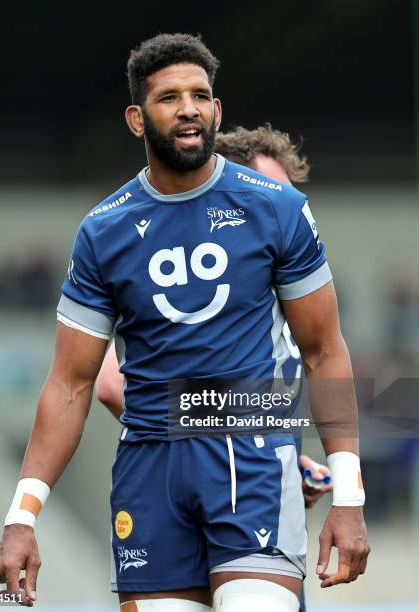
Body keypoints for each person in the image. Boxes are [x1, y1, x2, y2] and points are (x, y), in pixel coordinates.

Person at [0, 34, 369, 612]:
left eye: (201, 95)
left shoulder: (277, 208)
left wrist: (348, 494)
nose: (188, 107)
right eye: (170, 97)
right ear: (137, 119)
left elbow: (324, 352)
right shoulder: (103, 230)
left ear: (217, 110)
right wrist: (22, 516)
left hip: (251, 460)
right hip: (150, 471)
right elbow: (74, 382)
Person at [96, 124, 333, 512]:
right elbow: (109, 382)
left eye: (287, 191)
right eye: (269, 188)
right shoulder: (197, 280)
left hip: (258, 473)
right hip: (187, 484)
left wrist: (284, 455)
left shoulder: (289, 289)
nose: (282, 203)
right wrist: (218, 445)